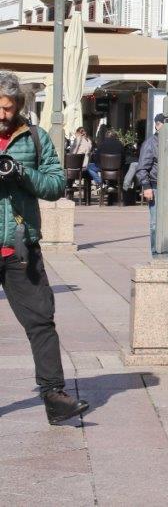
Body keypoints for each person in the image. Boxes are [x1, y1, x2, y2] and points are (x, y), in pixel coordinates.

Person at [0, 71, 89, 424]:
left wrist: (21, 173)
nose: (2, 115)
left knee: (41, 322)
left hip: (21, 249)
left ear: (18, 106)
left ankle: (55, 397)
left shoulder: (35, 138)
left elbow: (55, 185)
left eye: (7, 108)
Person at [135, 115, 163, 255]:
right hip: (155, 186)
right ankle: (155, 252)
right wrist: (146, 187)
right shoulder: (150, 143)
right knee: (155, 223)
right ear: (157, 125)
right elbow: (142, 168)